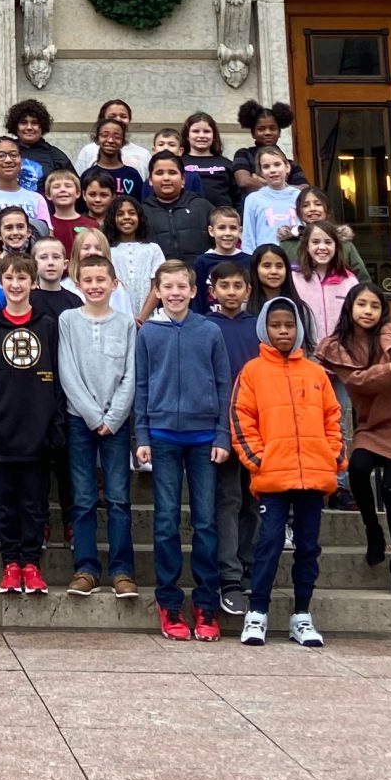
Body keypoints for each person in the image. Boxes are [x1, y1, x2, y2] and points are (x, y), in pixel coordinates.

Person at [233, 296, 342, 648]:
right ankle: (257, 613)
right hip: (273, 476)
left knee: (308, 546)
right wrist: (258, 459)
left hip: (314, 473)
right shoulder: (252, 371)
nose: (283, 331)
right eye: (276, 325)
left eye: (289, 325)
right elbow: (241, 419)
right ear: (264, 327)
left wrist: (333, 457)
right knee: (267, 542)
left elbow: (334, 419)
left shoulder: (314, 373)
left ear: (299, 330)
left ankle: (302, 616)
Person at [320, 283, 391, 598]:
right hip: (370, 424)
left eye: (374, 305)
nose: (367, 311)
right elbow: (358, 381)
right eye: (361, 304)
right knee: (357, 470)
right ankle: (373, 528)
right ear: (350, 307)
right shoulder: (338, 344)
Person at [136, 259, 232, 642]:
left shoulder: (209, 331)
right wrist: (140, 436)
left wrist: (223, 435)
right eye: (167, 287)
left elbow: (224, 384)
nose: (175, 293)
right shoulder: (149, 334)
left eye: (182, 287)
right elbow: (142, 385)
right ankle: (169, 601)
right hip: (161, 436)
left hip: (204, 438)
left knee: (206, 522)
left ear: (194, 291)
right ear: (157, 292)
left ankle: (206, 603)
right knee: (165, 522)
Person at [0, 251, 63, 594]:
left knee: (34, 504)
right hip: (1, 437)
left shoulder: (47, 326)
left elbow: (58, 380)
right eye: (9, 279)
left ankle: (32, 563)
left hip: (37, 438)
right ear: (0, 283)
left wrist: (54, 429)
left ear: (33, 282)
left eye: (22, 278)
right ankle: (10, 563)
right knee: (5, 504)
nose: (15, 284)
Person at [58, 252, 136, 599]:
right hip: (80, 420)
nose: (94, 286)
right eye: (87, 281)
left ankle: (122, 571)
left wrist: (113, 416)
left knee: (118, 498)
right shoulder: (68, 320)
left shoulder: (126, 323)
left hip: (116, 423)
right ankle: (86, 568)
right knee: (84, 497)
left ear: (114, 284)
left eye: (100, 280)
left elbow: (132, 374)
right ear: (78, 284)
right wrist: (92, 414)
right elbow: (67, 371)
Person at [204, 258, 263, 608]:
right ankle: (228, 574)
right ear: (212, 291)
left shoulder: (258, 328)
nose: (231, 292)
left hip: (256, 427)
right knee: (228, 500)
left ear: (247, 290)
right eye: (224, 286)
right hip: (222, 426)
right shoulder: (207, 326)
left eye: (237, 286)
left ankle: (248, 567)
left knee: (252, 502)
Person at [288, 221, 362, 350]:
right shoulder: (294, 278)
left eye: (328, 242)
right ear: (306, 246)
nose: (322, 247)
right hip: (306, 354)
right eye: (315, 242)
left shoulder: (349, 280)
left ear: (336, 246)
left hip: (342, 353)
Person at [140, 152, 214, 267]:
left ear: (183, 179)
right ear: (150, 180)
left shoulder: (203, 207)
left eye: (172, 172)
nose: (166, 178)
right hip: (159, 280)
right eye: (159, 173)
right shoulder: (141, 213)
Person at [239, 145, 305, 254]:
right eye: (266, 167)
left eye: (277, 164)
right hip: (265, 259)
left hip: (296, 257)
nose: (272, 170)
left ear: (287, 167)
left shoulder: (299, 196)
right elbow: (248, 238)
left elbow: (307, 229)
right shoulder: (253, 199)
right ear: (260, 172)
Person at [105, 197, 164, 316]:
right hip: (115, 317)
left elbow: (157, 286)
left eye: (132, 213)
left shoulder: (152, 249)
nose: (126, 217)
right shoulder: (107, 250)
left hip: (148, 318)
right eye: (120, 214)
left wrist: (142, 318)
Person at [193, 211, 250, 315]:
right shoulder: (202, 262)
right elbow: (198, 298)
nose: (227, 233)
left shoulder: (249, 261)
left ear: (240, 231)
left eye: (233, 228)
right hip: (211, 321)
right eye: (221, 228)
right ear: (211, 231)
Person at [72, 100, 152, 174]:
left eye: (123, 116)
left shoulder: (143, 154)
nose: (118, 119)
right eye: (112, 116)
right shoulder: (88, 151)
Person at [3, 99, 66, 191]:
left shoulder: (55, 156)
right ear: (15, 126)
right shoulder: (4, 152)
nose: (29, 127)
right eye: (23, 123)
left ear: (42, 126)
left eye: (34, 123)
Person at [80, 115, 147, 201]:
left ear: (123, 142)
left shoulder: (132, 175)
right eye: (105, 135)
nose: (111, 140)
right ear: (96, 139)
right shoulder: (88, 175)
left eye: (117, 137)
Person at [178, 112, 236, 208]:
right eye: (196, 131)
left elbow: (237, 197)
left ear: (214, 136)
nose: (201, 135)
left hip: (223, 219)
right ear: (187, 136)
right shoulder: (178, 164)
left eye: (206, 131)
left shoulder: (227, 164)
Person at [42, 168, 88, 254]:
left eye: (68, 186)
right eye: (56, 187)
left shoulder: (91, 225)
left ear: (78, 193)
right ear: (48, 195)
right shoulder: (46, 226)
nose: (62, 190)